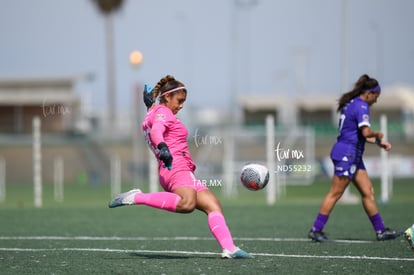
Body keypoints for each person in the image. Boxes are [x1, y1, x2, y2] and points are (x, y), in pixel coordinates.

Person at [109, 75, 253, 259]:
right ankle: (137, 197)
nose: (181, 105)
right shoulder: (163, 113)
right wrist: (163, 147)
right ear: (167, 97)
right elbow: (156, 131)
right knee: (187, 204)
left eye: (184, 101)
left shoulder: (153, 112)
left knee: (213, 205)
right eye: (179, 100)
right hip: (175, 166)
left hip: (182, 169)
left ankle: (229, 248)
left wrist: (149, 105)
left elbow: (153, 121)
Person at [308, 74, 403, 242]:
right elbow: (366, 132)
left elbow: (360, 134)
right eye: (376, 96)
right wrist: (377, 133)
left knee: (368, 192)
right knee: (336, 192)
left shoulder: (351, 104)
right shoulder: (361, 106)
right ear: (368, 93)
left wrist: (379, 142)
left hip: (353, 155)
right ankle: (316, 230)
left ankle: (381, 231)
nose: (376, 100)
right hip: (347, 154)